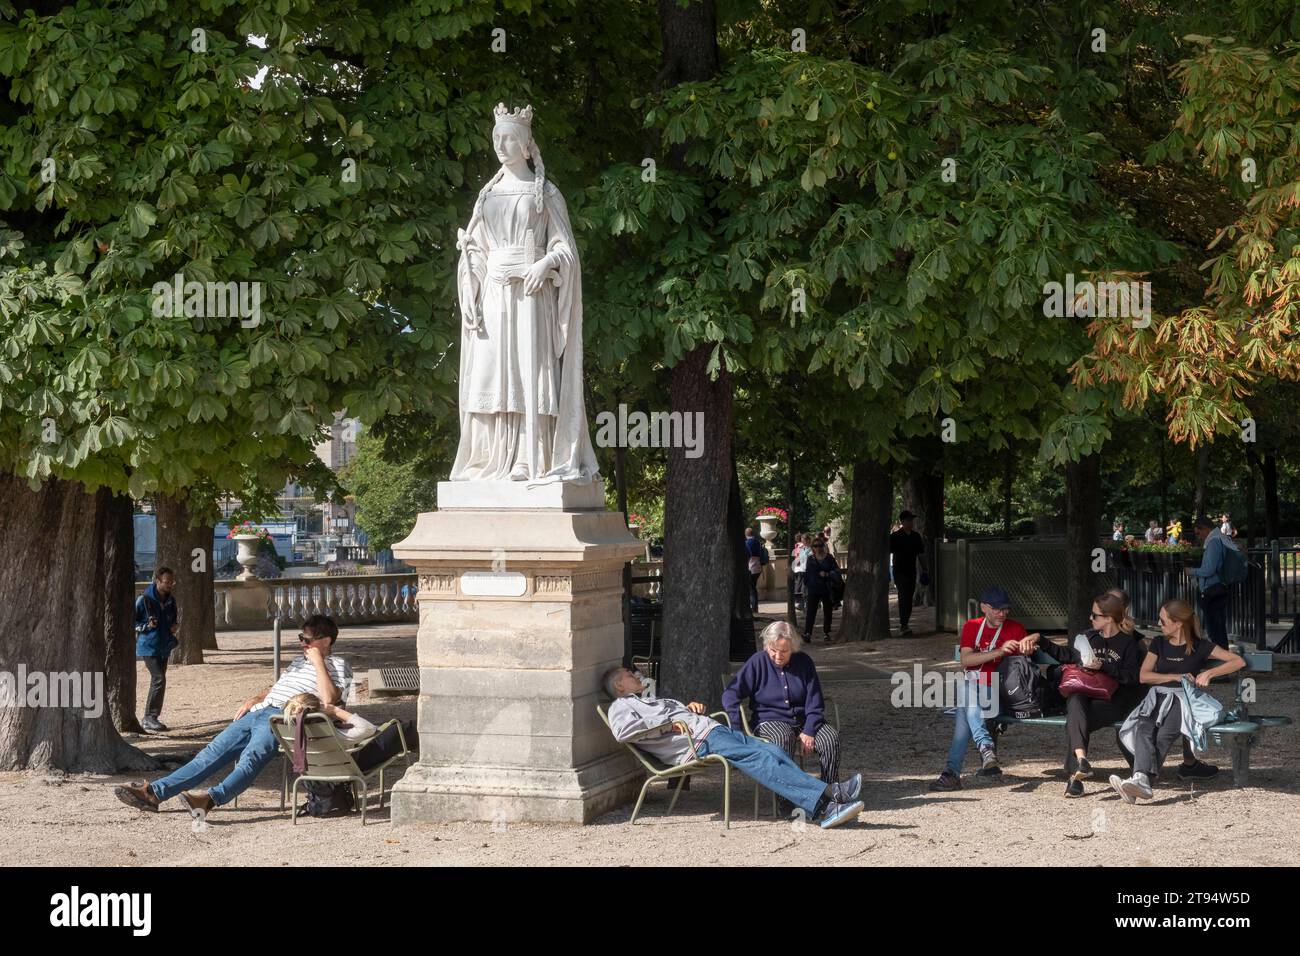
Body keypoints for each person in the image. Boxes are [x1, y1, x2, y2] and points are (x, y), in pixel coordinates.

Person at [113, 614, 353, 819]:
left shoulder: (338, 665)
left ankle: (208, 800)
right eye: (301, 638)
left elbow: (330, 699)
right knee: (209, 754)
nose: (302, 643)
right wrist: (256, 699)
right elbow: (279, 687)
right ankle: (154, 793)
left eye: (307, 640)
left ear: (325, 641)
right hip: (261, 711)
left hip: (285, 718)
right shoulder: (298, 662)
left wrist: (319, 661)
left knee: (251, 759)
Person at [603, 666, 864, 828]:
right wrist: (667, 725)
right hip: (702, 741)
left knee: (772, 751)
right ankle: (823, 808)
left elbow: (671, 716)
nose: (636, 675)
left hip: (714, 730)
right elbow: (622, 732)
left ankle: (830, 792)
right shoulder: (621, 706)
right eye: (629, 674)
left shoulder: (645, 700)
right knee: (762, 760)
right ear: (618, 686)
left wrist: (687, 708)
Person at [1109, 599, 1245, 803]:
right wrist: (1175, 677)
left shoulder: (1201, 646)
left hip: (1182, 701)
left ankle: (1141, 781)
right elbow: (1144, 676)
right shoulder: (1158, 644)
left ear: (1178, 623)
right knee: (1145, 728)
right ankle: (1141, 780)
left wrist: (1210, 673)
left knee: (1163, 734)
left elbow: (1238, 661)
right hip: (1157, 697)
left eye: (1163, 621)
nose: (1159, 623)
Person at [1020, 592, 1143, 797]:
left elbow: (1132, 678)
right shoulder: (1089, 637)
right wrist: (1039, 638)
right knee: (1076, 701)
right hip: (1087, 695)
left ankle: (1075, 778)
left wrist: (1103, 666)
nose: (1090, 618)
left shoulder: (1128, 643)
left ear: (1108, 618)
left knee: (1076, 720)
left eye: (1095, 615)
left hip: (1114, 701)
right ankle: (1081, 762)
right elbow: (1066, 655)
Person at [930, 586, 1034, 791]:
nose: (1002, 614)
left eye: (1005, 609)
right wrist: (999, 651)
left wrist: (1030, 642)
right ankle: (971, 759)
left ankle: (957, 769)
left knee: (966, 698)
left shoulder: (1015, 628)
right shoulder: (972, 626)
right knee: (967, 699)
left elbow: (1033, 640)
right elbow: (966, 660)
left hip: (1003, 693)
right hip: (976, 692)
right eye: (997, 609)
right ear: (984, 607)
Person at [723, 622, 841, 793]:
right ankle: (787, 798)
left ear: (793, 648)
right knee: (782, 739)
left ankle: (829, 791)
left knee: (831, 739)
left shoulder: (804, 662)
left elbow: (815, 701)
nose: (778, 656)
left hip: (803, 719)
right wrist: (735, 728)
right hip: (769, 720)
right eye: (773, 650)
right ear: (767, 646)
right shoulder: (757, 662)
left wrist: (809, 730)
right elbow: (730, 694)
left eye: (784, 651)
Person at [134, 566, 179, 733]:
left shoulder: (171, 600)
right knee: (159, 679)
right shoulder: (144, 600)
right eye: (166, 582)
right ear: (157, 581)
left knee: (159, 680)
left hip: (164, 646)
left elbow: (173, 619)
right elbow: (133, 622)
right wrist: (146, 626)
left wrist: (173, 627)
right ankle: (149, 717)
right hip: (148, 646)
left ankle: (151, 717)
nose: (169, 585)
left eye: (171, 582)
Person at [1189, 515, 1239, 649]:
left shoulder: (1213, 542)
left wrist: (1191, 571)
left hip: (1212, 590)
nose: (1199, 536)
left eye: (1199, 533)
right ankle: (1223, 659)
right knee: (1218, 628)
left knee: (1215, 630)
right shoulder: (1221, 539)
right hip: (1219, 588)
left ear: (1205, 529)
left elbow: (1208, 570)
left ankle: (1221, 661)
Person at [889, 510, 927, 636]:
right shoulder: (895, 537)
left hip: (911, 571)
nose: (911, 523)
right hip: (899, 571)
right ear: (903, 521)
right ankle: (903, 624)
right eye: (908, 520)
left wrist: (925, 569)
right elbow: (888, 553)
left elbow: (920, 554)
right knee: (903, 596)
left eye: (912, 520)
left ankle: (905, 623)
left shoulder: (916, 536)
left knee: (909, 597)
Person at [802, 537, 841, 642]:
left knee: (827, 611)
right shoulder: (810, 559)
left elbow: (837, 571)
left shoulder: (829, 558)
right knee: (811, 611)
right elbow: (807, 573)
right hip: (813, 589)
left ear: (823, 546)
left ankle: (826, 632)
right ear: (812, 548)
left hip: (826, 588)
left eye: (820, 545)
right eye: (815, 546)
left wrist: (828, 574)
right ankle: (807, 633)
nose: (818, 548)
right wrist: (805, 585)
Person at [744, 527, 767, 614]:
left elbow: (747, 555)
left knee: (751, 588)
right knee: (753, 588)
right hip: (758, 568)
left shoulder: (746, 543)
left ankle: (753, 608)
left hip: (750, 568)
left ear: (746, 534)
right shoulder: (758, 542)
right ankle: (754, 607)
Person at [791, 533, 810, 612]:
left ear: (808, 540)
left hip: (808, 570)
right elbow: (798, 559)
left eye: (804, 541)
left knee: (805, 588)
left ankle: (806, 605)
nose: (803, 543)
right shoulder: (802, 548)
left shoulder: (811, 549)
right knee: (803, 587)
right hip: (802, 569)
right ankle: (803, 605)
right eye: (802, 541)